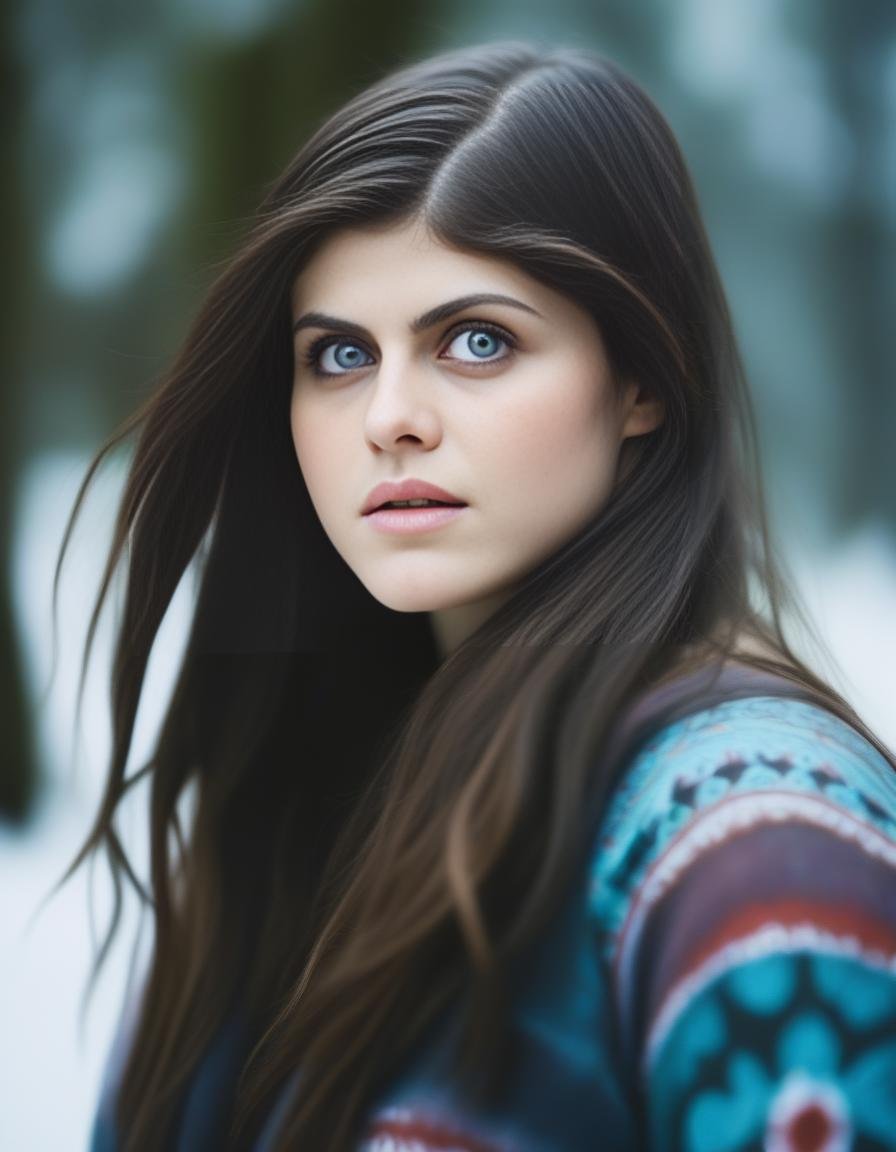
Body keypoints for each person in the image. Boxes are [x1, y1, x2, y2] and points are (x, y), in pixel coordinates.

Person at [52, 39, 896, 1152]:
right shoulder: (298, 804)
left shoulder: (753, 832)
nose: (387, 416)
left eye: (477, 340)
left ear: (642, 377)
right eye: (339, 356)